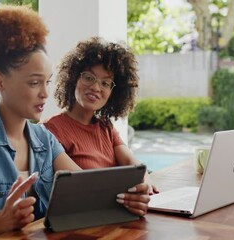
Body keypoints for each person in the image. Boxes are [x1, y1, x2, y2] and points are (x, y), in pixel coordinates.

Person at [0, 6, 150, 239]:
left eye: (47, 82)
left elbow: (89, 191)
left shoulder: (44, 139)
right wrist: (1, 221)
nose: (45, 93)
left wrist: (130, 198)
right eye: (35, 83)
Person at [41, 37, 159, 194]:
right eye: (88, 77)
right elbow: (83, 185)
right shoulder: (51, 130)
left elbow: (131, 162)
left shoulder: (106, 127)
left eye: (105, 83)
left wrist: (146, 180)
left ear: (113, 92)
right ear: (73, 78)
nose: (96, 87)